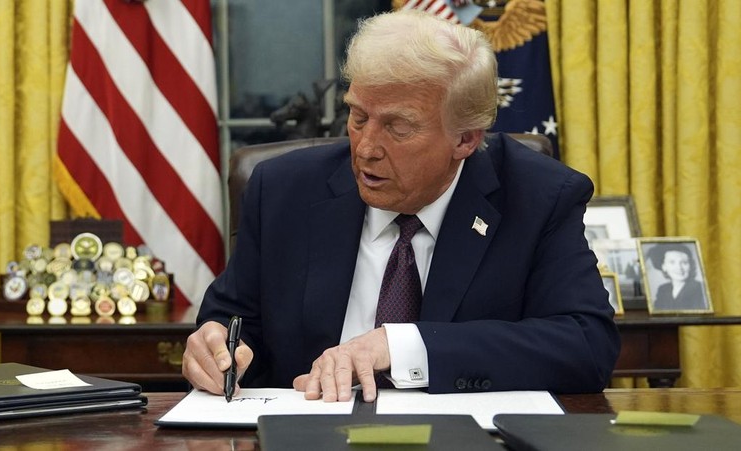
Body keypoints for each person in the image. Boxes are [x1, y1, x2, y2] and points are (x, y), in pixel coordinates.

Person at [182, 9, 620, 404]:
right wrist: (216, 346)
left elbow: (585, 346)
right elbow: (233, 321)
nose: (367, 148)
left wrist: (402, 346)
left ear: (465, 139)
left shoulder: (537, 196)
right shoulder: (284, 190)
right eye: (357, 117)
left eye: (398, 127)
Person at [648, 243, 707, 311]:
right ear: (664, 266)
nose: (679, 268)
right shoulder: (663, 290)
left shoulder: (700, 288)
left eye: (684, 262)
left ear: (690, 265)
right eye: (672, 262)